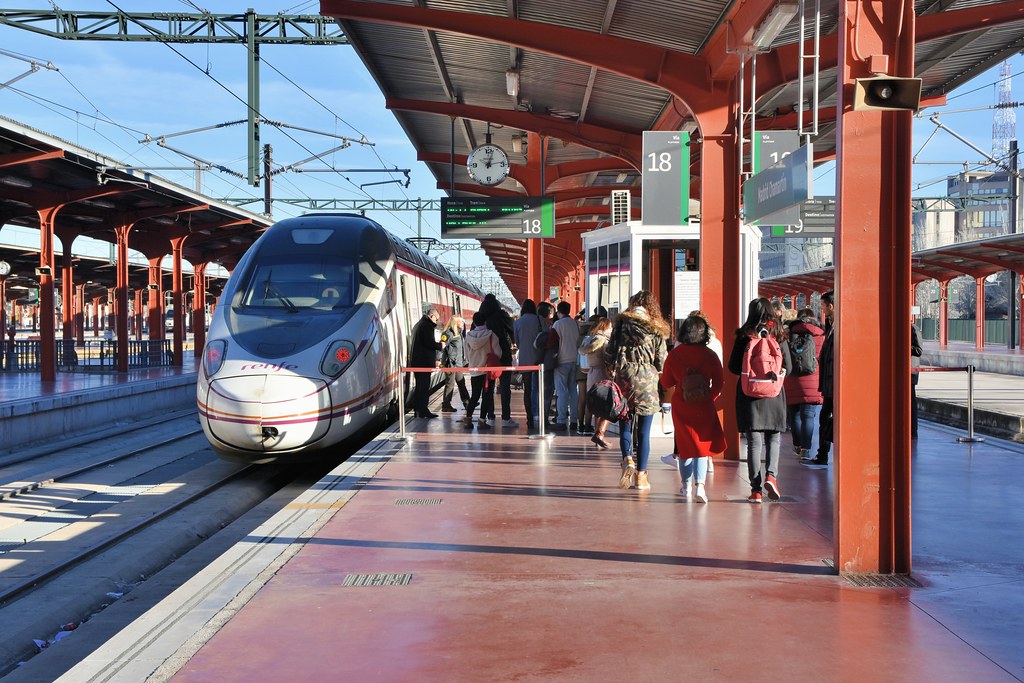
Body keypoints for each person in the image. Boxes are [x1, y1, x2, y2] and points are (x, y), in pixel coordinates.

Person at [728, 297, 792, 503]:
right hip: (774, 394)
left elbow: (733, 367)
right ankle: (771, 476)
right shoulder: (778, 334)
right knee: (773, 439)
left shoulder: (744, 335)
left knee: (754, 443)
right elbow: (789, 367)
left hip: (749, 394)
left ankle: (756, 490)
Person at [606, 290, 669, 491]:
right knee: (643, 432)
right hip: (648, 382)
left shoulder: (621, 325)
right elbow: (662, 361)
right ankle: (641, 476)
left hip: (625, 379)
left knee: (625, 425)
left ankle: (627, 459)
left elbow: (609, 352)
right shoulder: (656, 329)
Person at [660, 315, 726, 503]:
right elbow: (719, 382)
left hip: (681, 404)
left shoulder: (675, 354)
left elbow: (666, 382)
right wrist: (709, 397)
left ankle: (686, 486)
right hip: (704, 405)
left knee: (685, 445)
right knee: (701, 446)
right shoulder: (710, 355)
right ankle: (701, 487)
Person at [784, 307, 825, 459]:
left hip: (792, 380)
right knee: (808, 417)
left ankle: (797, 445)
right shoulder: (820, 335)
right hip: (813, 381)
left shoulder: (788, 334)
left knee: (794, 415)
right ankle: (805, 450)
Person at [802, 290, 835, 467]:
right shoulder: (831, 325)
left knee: (826, 418)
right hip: (829, 384)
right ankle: (822, 454)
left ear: (831, 306)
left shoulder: (838, 327)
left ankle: (823, 454)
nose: (821, 309)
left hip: (834, 384)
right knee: (825, 418)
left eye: (823, 305)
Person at [478, 294, 518, 427]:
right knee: (505, 387)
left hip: (487, 356)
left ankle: (490, 417)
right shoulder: (501, 315)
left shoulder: (481, 316)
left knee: (489, 387)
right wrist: (513, 340)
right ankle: (506, 418)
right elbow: (512, 327)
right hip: (503, 354)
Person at [463, 311, 501, 429]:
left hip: (475, 371)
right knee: (486, 396)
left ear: (474, 323)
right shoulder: (492, 335)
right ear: (485, 321)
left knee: (474, 396)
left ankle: (468, 420)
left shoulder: (468, 337)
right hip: (488, 372)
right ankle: (482, 421)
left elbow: (466, 356)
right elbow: (498, 353)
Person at [580, 317, 612, 448]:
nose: (611, 330)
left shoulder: (590, 339)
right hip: (601, 373)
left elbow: (584, 351)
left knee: (595, 405)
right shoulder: (602, 340)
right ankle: (599, 435)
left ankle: (596, 433)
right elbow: (608, 358)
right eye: (610, 327)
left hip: (591, 373)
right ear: (604, 328)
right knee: (604, 405)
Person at [549, 301, 581, 430]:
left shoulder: (557, 324)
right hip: (575, 360)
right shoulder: (575, 323)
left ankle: (561, 420)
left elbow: (551, 342)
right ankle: (574, 420)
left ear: (559, 311)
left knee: (561, 391)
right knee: (573, 391)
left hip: (562, 361)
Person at [575, 306, 607, 435]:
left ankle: (580, 425)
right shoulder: (596, 337)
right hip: (593, 369)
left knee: (582, 397)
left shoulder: (581, 335)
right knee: (592, 398)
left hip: (581, 368)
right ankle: (589, 425)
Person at [513, 299, 543, 427]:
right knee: (539, 388)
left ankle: (529, 418)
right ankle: (539, 414)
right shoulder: (539, 320)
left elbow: (517, 342)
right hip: (539, 358)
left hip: (525, 359)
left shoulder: (517, 322)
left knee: (527, 389)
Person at [410, 307, 444, 419]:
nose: (436, 321)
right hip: (424, 362)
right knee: (424, 387)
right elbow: (429, 343)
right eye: (436, 319)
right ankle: (423, 410)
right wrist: (440, 345)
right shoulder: (427, 326)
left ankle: (417, 410)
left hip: (417, 362)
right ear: (431, 316)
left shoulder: (418, 325)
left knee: (419, 387)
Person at [440, 315, 471, 413]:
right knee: (450, 384)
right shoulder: (448, 333)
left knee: (461, 382)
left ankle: (467, 402)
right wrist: (439, 360)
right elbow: (442, 345)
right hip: (451, 364)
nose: (463, 323)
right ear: (455, 323)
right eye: (461, 321)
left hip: (458, 364)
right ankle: (446, 405)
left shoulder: (459, 333)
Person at [911, 321, 923, 439]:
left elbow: (919, 350)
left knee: (911, 402)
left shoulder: (914, 329)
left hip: (911, 372)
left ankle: (913, 431)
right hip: (905, 371)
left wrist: (905, 345)